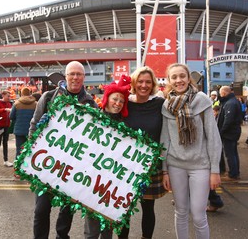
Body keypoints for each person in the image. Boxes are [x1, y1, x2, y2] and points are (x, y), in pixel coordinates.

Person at [28, 61, 98, 239]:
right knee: (41, 209)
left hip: (72, 167)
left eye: (79, 74)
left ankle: (62, 236)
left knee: (67, 210)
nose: (75, 77)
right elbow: (34, 125)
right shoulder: (48, 97)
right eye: (71, 74)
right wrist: (31, 151)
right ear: (65, 76)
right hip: (47, 163)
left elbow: (95, 136)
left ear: (83, 77)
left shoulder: (90, 102)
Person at [160, 63, 222, 239]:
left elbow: (213, 137)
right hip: (175, 165)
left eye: (182, 76)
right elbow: (165, 139)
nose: (179, 80)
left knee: (198, 215)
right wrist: (164, 170)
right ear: (169, 80)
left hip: (200, 165)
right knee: (180, 212)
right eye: (174, 77)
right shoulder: (166, 105)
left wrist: (215, 170)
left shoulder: (202, 100)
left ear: (188, 78)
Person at [120, 66, 167, 239]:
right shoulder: (125, 102)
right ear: (134, 83)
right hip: (125, 165)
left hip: (150, 165)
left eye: (148, 82)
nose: (144, 85)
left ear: (153, 84)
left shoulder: (160, 104)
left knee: (148, 208)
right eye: (140, 81)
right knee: (123, 208)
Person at [84, 74, 131, 239]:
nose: (117, 103)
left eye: (121, 101)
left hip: (113, 182)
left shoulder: (126, 126)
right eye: (115, 99)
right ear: (107, 98)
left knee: (107, 227)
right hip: (92, 179)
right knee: (92, 226)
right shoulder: (93, 119)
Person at [218, 86, 242, 181]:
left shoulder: (230, 103)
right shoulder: (233, 101)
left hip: (229, 133)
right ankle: (235, 172)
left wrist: (221, 131)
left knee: (230, 154)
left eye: (220, 94)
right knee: (233, 153)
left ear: (224, 93)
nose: (220, 95)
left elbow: (228, 120)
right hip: (233, 131)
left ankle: (233, 173)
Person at [9, 87, 37, 159]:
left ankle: (18, 167)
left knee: (19, 150)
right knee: (31, 150)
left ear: (21, 94)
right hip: (32, 131)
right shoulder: (35, 104)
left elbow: (11, 116)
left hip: (19, 130)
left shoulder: (17, 104)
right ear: (30, 93)